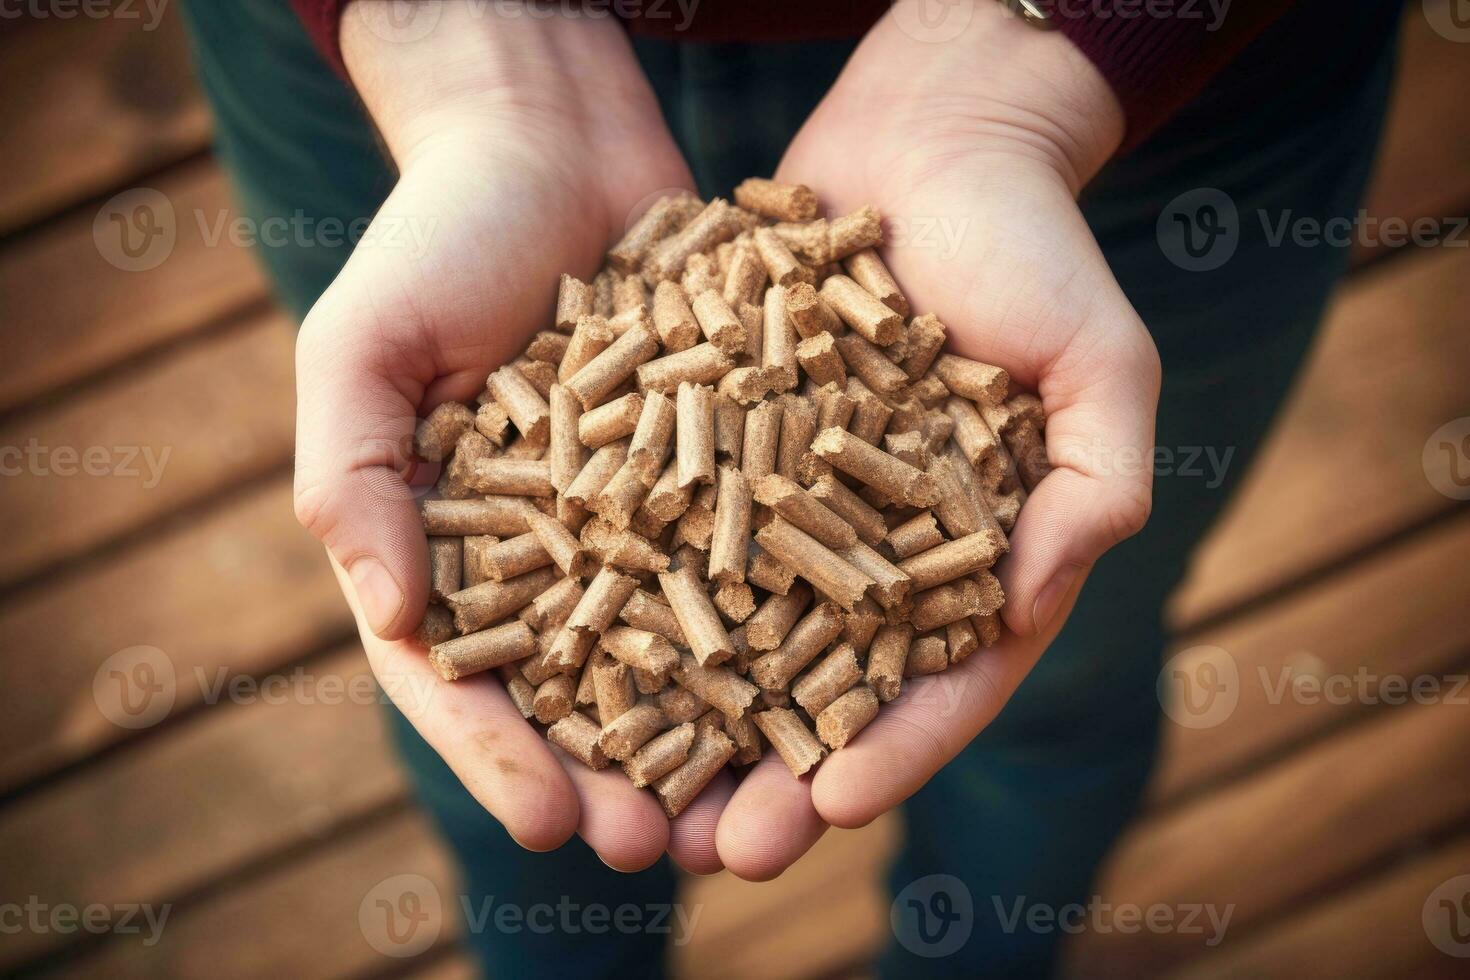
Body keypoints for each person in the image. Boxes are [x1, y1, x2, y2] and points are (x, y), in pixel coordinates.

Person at [179, 0, 1402, 974]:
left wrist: (1032, 68)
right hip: (404, 56)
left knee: (1062, 659)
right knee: (501, 747)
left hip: (1140, 77)